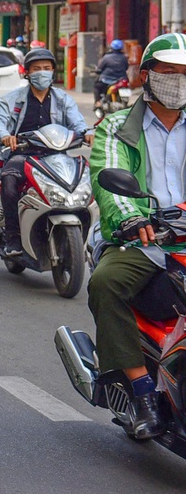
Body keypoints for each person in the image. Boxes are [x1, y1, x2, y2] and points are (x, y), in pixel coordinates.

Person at [88, 33, 186, 440]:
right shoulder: (116, 127)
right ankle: (142, 392)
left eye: (185, 74)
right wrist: (131, 219)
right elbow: (109, 179)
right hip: (144, 241)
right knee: (105, 284)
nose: (178, 81)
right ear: (146, 76)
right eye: (169, 73)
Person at [0, 48, 93, 257]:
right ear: (27, 72)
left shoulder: (64, 99)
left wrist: (87, 132)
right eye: (36, 69)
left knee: (86, 179)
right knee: (9, 180)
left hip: (56, 156)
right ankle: (13, 238)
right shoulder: (11, 99)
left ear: (53, 71)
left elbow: (78, 122)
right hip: (23, 155)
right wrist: (4, 136)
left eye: (46, 68)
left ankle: (90, 238)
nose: (42, 73)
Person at [95, 39, 131, 108]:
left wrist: (97, 70)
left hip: (107, 80)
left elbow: (100, 68)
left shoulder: (106, 57)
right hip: (121, 79)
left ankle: (98, 102)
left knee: (96, 86)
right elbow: (126, 67)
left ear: (111, 47)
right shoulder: (124, 58)